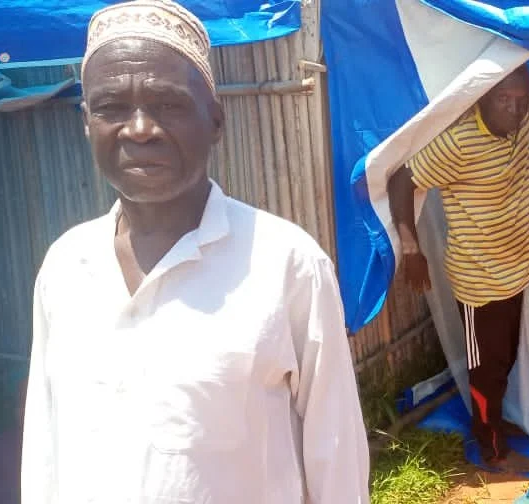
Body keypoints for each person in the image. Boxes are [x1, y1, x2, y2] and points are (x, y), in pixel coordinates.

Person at [20, 1, 369, 502]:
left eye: (168, 105)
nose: (139, 128)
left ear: (216, 122)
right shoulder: (65, 267)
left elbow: (335, 455)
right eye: (112, 108)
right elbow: (46, 447)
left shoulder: (286, 264)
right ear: (86, 123)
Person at [387, 46, 529, 472]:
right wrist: (411, 248)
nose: (514, 110)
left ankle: (495, 425)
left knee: (506, 357)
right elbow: (402, 179)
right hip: (478, 283)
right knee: (485, 370)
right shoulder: (456, 142)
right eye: (502, 101)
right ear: (481, 100)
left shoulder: (527, 110)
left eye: (519, 99)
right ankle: (492, 450)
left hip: (517, 269)